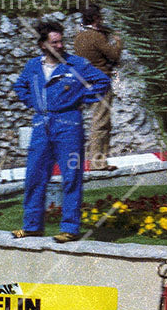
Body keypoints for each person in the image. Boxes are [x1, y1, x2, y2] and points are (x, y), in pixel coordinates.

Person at [12, 20, 109, 243]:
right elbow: (20, 86)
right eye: (54, 42)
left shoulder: (76, 64)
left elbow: (102, 81)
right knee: (35, 175)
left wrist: (81, 99)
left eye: (61, 41)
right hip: (41, 125)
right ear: (43, 45)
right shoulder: (33, 66)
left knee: (71, 176)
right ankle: (32, 225)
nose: (60, 46)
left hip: (69, 124)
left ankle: (70, 228)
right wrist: (33, 102)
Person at [71, 5, 122, 171]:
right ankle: (98, 162)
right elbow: (113, 55)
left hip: (87, 81)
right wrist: (118, 42)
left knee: (98, 120)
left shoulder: (79, 37)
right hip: (101, 80)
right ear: (95, 19)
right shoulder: (96, 37)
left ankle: (98, 160)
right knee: (101, 122)